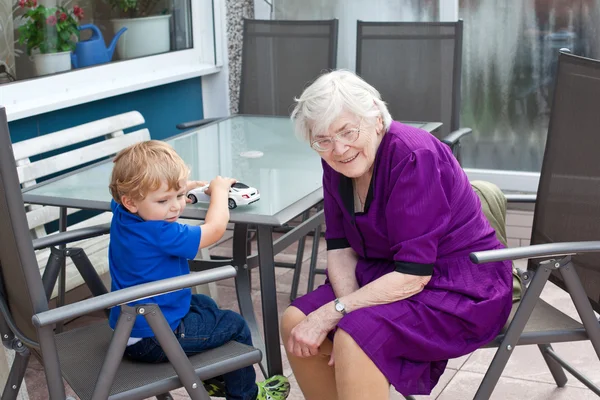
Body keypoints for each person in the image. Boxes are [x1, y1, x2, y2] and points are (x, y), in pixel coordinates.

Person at [280, 70, 513, 399]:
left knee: (356, 336)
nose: (339, 148)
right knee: (296, 322)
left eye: (348, 131)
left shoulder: (413, 156)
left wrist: (339, 312)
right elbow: (340, 248)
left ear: (375, 117)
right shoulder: (335, 162)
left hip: (457, 286)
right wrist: (346, 308)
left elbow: (414, 276)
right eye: (324, 140)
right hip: (387, 272)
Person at [108, 140, 290, 400]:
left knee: (204, 304)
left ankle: (215, 381)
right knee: (236, 326)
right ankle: (246, 395)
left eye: (179, 196)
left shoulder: (123, 213)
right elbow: (214, 229)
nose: (175, 207)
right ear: (131, 201)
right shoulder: (160, 231)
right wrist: (219, 193)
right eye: (163, 200)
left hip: (131, 330)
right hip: (158, 339)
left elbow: (145, 196)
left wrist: (185, 187)